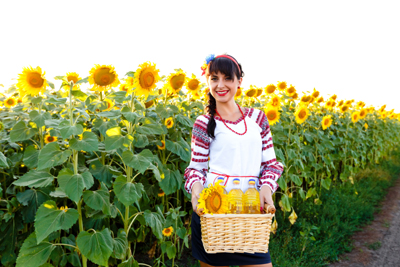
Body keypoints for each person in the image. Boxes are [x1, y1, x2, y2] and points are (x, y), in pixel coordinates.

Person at [183, 54, 284, 267]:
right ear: (208, 82)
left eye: (228, 78)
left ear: (239, 81)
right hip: (214, 213)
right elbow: (196, 169)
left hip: (250, 211)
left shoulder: (258, 118)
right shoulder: (203, 123)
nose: (220, 85)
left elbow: (271, 164)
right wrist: (196, 195)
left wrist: (266, 188)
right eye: (214, 78)